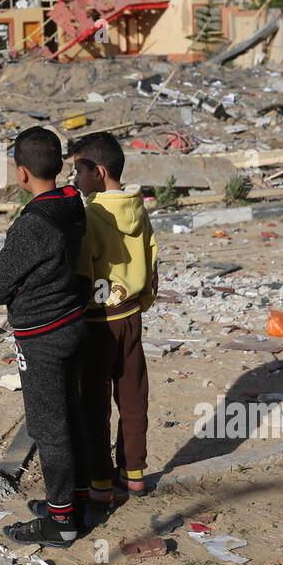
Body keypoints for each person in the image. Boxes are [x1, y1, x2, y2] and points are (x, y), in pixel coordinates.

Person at [0, 126, 91, 547]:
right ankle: (74, 499)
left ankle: (62, 522)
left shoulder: (32, 223)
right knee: (71, 416)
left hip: (42, 335)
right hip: (72, 320)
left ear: (22, 173)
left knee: (49, 428)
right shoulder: (71, 202)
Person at [71, 132, 158, 508]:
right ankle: (134, 475)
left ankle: (101, 482)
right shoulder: (139, 209)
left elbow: (82, 271)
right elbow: (153, 265)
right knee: (133, 397)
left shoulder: (91, 215)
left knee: (94, 404)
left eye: (78, 171)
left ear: (98, 172)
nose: (74, 179)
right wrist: (142, 302)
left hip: (97, 321)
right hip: (131, 317)